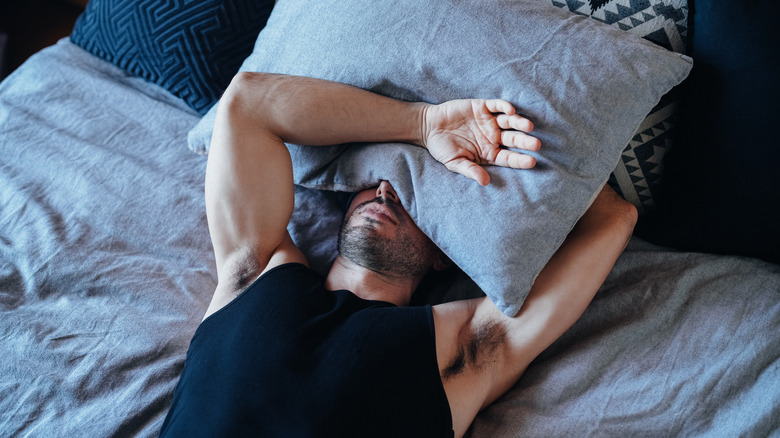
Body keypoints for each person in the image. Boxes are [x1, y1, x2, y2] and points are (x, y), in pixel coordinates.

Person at [160, 73, 637, 438]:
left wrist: (524, 135)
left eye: (415, 197)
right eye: (375, 181)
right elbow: (248, 102)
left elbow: (612, 221)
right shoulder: (253, 271)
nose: (387, 189)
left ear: (444, 254)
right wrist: (422, 124)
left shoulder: (466, 349)